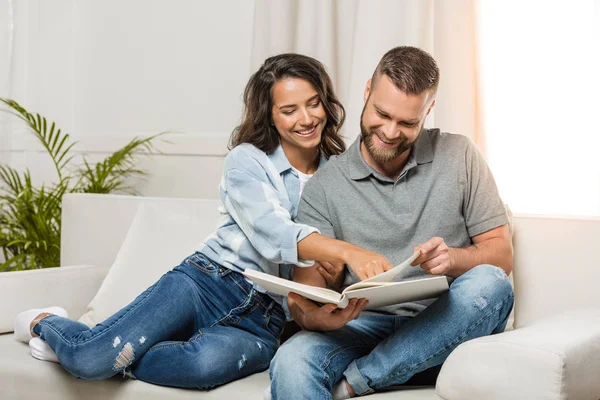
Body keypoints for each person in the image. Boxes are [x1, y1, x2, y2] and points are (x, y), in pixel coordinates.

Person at [12, 53, 378, 389]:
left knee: (200, 368)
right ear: (269, 115)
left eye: (314, 103)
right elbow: (274, 234)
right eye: (289, 109)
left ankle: (113, 354)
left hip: (264, 320)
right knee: (90, 360)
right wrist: (346, 251)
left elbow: (317, 271)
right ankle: (47, 322)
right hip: (206, 282)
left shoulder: (338, 174)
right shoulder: (247, 160)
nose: (307, 118)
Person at [267, 46, 515, 399]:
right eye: (381, 114)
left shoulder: (460, 155)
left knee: (490, 283)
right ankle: (377, 370)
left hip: (447, 326)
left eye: (407, 122)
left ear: (428, 111)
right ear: (367, 91)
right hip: (363, 326)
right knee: (292, 359)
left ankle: (357, 381)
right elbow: (307, 297)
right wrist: (316, 316)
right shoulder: (325, 186)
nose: (390, 131)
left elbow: (502, 257)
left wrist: (453, 259)